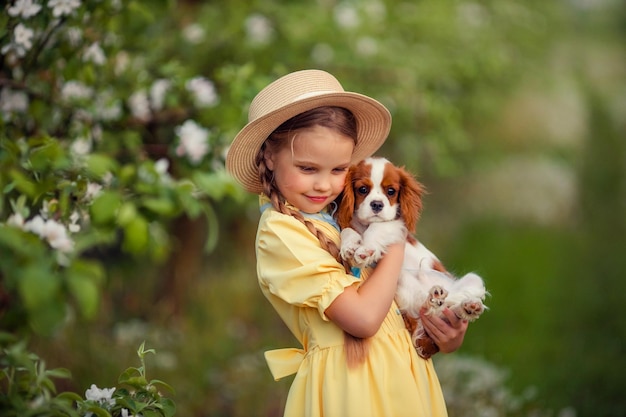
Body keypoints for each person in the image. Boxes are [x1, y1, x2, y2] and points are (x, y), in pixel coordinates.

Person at [225, 69, 468, 417]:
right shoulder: (281, 232)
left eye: (338, 169)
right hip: (350, 391)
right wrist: (396, 235)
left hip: (406, 379)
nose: (324, 185)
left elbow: (401, 299)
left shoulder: (350, 215)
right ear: (268, 158)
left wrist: (447, 334)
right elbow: (365, 318)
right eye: (308, 169)